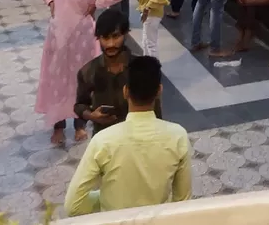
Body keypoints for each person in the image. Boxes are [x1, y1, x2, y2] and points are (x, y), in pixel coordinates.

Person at [63, 56, 192, 216]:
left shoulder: (103, 141)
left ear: (125, 91)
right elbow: (182, 203)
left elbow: (72, 206)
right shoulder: (178, 136)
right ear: (159, 90)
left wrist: (104, 200)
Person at [34, 0, 129, 146]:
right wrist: (50, 1)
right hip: (57, 33)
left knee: (82, 79)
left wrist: (98, 3)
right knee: (57, 77)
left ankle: (80, 124)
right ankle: (58, 125)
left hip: (83, 35)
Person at [73, 10, 162, 134]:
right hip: (105, 138)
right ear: (98, 38)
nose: (110, 44)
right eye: (105, 38)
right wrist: (92, 116)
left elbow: (156, 108)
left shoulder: (141, 68)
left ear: (125, 35)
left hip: (139, 138)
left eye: (116, 36)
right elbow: (80, 105)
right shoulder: (88, 72)